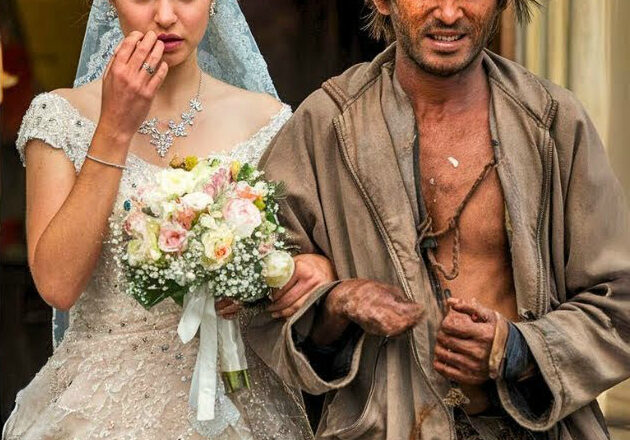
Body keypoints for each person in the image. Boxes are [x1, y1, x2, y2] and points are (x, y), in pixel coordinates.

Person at [250, 0, 630, 439]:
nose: (449, 14)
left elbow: (620, 299)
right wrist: (336, 304)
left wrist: (517, 351)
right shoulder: (327, 125)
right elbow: (260, 308)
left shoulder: (552, 121)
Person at [2, 0, 334, 439]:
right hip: (103, 408)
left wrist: (304, 272)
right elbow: (58, 286)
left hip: (240, 400)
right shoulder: (60, 118)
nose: (164, 15)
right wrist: (115, 128)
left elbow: (302, 266)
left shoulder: (268, 121)